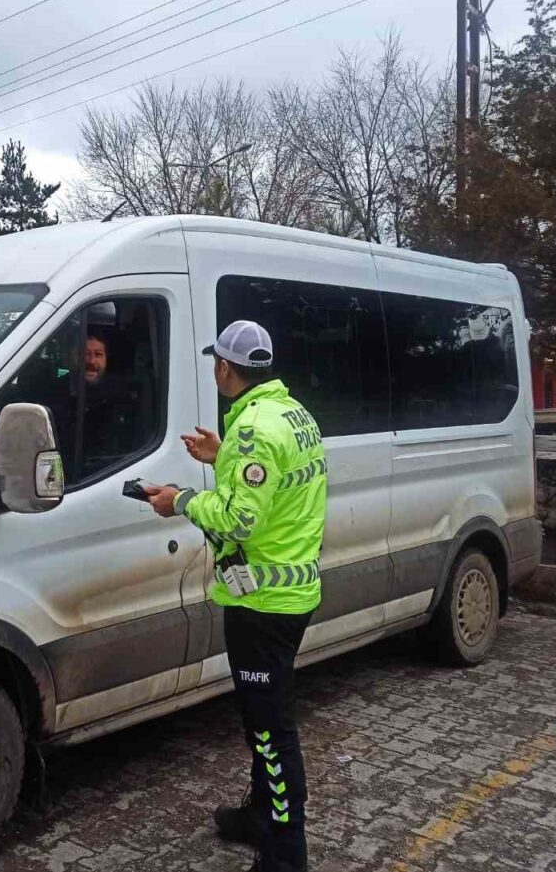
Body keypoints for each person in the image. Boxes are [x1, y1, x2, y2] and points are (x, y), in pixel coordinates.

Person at [145, 320, 326, 872]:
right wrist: (222, 457)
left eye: (215, 363)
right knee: (263, 720)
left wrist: (178, 501)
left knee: (270, 730)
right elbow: (269, 482)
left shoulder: (254, 429)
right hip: (290, 596)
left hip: (262, 605)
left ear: (225, 367)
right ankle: (259, 817)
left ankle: (285, 855)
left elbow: (239, 518)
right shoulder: (291, 413)